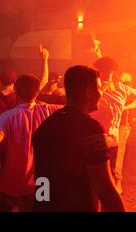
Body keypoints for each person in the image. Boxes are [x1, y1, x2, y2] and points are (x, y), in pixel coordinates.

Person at [32, 65, 125, 212]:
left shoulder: (45, 127)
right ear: (88, 92)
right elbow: (105, 190)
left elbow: (40, 180)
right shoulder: (91, 129)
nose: (102, 93)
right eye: (99, 88)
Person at [0, 74, 61, 212]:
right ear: (37, 92)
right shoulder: (49, 110)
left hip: (11, 183)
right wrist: (40, 96)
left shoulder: (7, 116)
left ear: (16, 92)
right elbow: (71, 102)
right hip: (42, 183)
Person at [91, 57, 136, 188]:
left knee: (111, 174)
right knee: (94, 176)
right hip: (94, 138)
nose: (104, 74)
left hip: (112, 139)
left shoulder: (122, 89)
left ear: (113, 72)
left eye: (107, 71)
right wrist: (101, 90)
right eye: (101, 70)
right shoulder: (93, 88)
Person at [0, 43, 50, 141]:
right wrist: (45, 59)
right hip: (15, 138)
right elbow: (44, 80)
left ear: (0, 80)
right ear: (15, 80)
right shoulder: (22, 94)